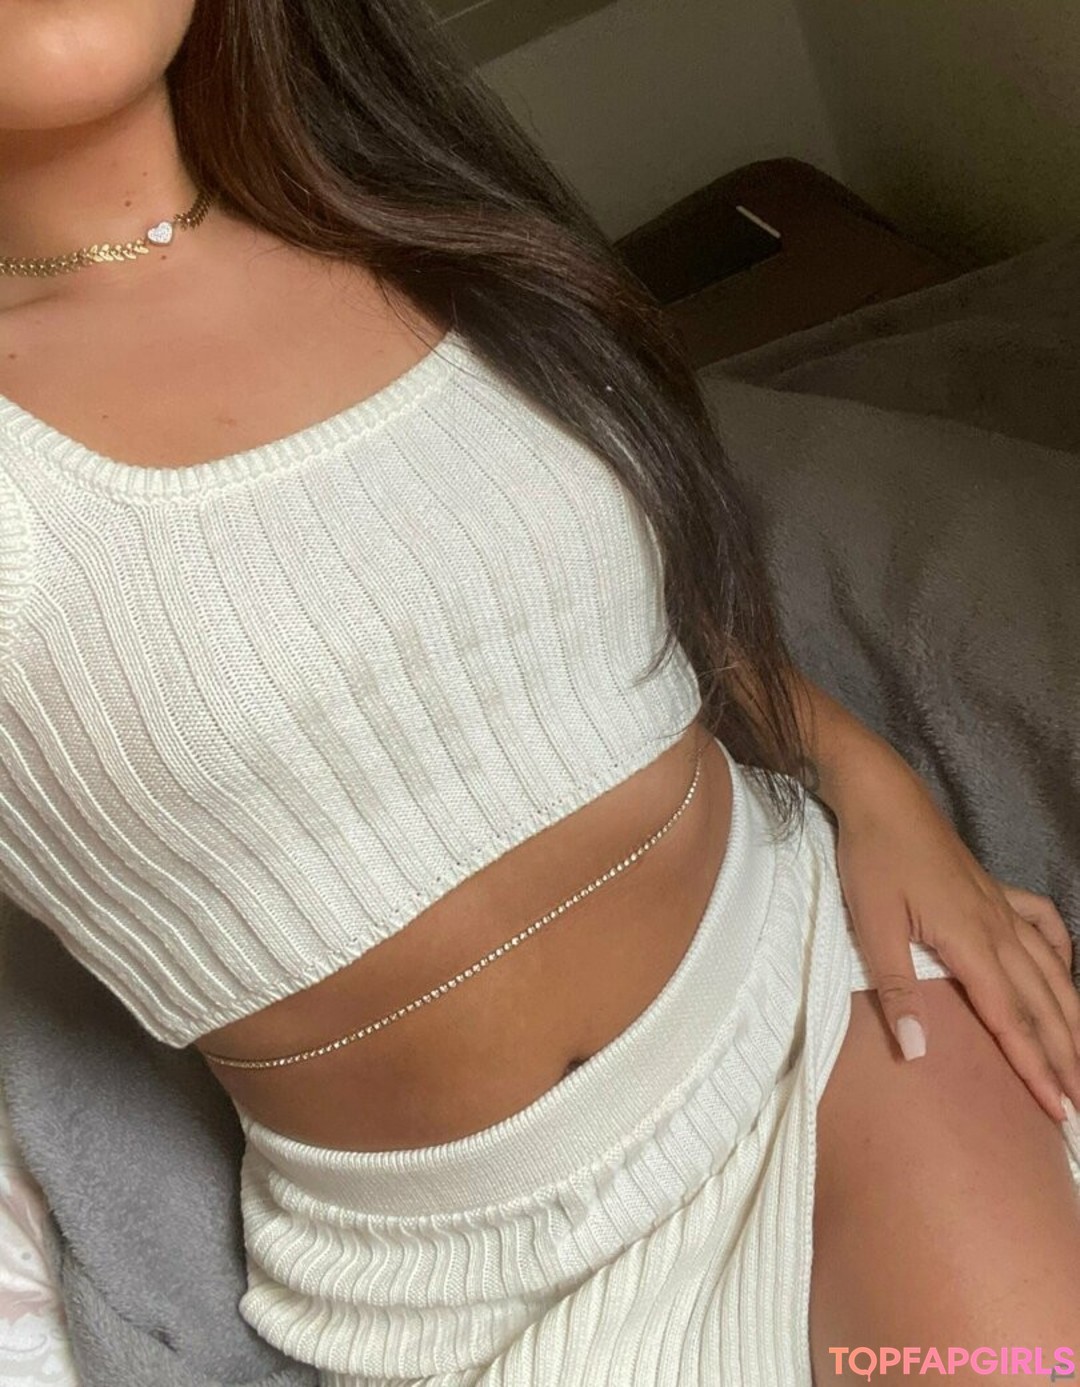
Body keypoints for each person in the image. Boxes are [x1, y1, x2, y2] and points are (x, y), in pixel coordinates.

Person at [0, 2, 1077, 1383]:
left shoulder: (409, 216)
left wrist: (875, 788)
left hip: (820, 1017)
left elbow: (629, 607)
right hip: (436, 1280)